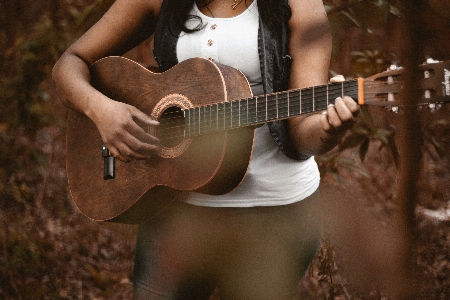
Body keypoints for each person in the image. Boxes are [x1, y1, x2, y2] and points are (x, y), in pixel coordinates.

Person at [52, 0, 360, 299]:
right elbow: (70, 62)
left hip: (275, 213)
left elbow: (304, 132)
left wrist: (329, 129)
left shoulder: (300, 4)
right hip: (173, 206)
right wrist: (103, 111)